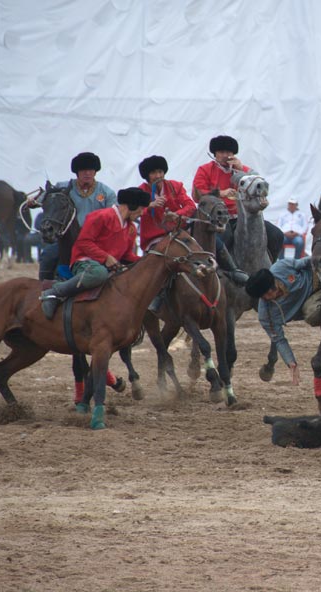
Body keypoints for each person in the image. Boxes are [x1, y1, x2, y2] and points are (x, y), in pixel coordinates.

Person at [38, 187, 152, 428]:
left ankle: (85, 400)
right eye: (141, 209)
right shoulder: (101, 217)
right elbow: (84, 242)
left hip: (105, 270)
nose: (142, 214)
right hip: (85, 265)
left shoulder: (130, 229)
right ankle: (54, 293)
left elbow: (128, 256)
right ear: (130, 206)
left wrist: (146, 264)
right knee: (99, 272)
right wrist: (105, 258)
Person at [137, 154, 247, 287]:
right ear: (147, 175)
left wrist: (177, 214)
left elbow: (190, 205)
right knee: (162, 261)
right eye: (154, 173)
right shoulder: (140, 193)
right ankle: (158, 296)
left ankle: (232, 269)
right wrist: (150, 206)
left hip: (181, 231)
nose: (159, 175)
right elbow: (134, 213)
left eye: (160, 171)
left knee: (213, 240)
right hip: (156, 236)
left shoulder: (175, 186)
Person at [36, 152, 118, 281]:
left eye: (90, 170)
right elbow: (45, 197)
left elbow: (113, 219)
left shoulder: (107, 193)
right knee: (48, 255)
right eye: (83, 170)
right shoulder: (62, 186)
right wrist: (33, 201)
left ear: (95, 172)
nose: (87, 173)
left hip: (94, 242)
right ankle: (43, 290)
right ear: (77, 172)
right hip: (66, 240)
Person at [245, 258, 316, 387]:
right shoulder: (266, 315)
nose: (267, 298)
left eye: (268, 292)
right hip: (313, 302)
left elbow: (307, 262)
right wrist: (291, 362)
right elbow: (279, 339)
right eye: (262, 297)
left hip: (317, 277)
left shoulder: (282, 267)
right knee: (312, 313)